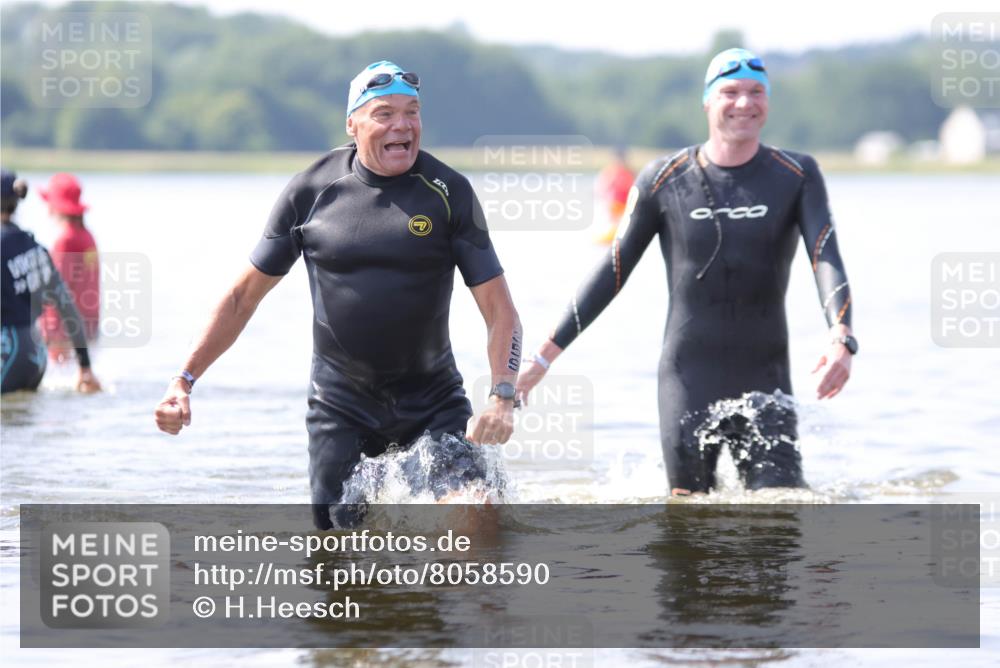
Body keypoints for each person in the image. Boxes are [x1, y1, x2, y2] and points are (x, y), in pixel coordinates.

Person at [154, 61, 522, 529]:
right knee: (337, 555)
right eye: (385, 114)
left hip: (432, 400)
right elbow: (241, 299)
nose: (403, 126)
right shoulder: (311, 191)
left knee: (478, 511)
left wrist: (502, 397)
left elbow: (500, 310)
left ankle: (473, 599)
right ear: (352, 124)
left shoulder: (449, 193)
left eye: (412, 113)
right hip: (340, 406)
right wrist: (182, 382)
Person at [517, 48, 856, 495]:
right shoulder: (664, 178)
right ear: (707, 101)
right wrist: (542, 358)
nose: (744, 103)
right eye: (730, 92)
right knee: (687, 525)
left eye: (756, 92)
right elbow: (613, 270)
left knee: (780, 516)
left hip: (766, 380)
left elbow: (824, 255)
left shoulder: (795, 174)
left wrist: (841, 336)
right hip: (688, 377)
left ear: (768, 101)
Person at [1, 169, 101, 394]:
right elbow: (68, 307)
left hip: (8, 352)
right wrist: (85, 367)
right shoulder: (36, 248)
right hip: (37, 357)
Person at [38, 172, 100, 361]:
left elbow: (56, 289)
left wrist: (48, 331)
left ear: (55, 205)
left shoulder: (65, 240)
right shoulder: (86, 235)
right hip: (88, 326)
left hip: (63, 330)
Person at [595, 146, 635, 244]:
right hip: (614, 204)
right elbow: (602, 187)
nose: (620, 161)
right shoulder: (610, 171)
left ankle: (618, 236)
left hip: (625, 205)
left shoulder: (629, 172)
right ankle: (612, 235)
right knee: (614, 221)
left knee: (621, 223)